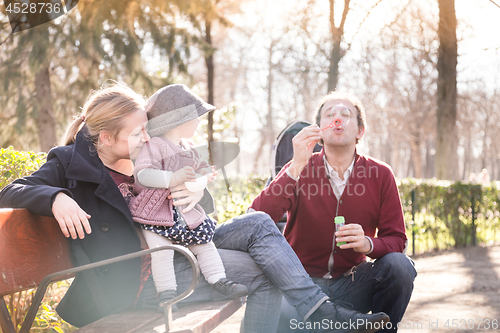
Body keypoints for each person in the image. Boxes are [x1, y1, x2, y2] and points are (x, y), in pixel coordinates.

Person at [0, 83, 387, 333]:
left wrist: (195, 188)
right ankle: (324, 314)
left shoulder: (147, 154)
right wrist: (56, 197)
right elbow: (11, 190)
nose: (147, 136)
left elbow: (201, 203)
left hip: (184, 246)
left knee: (257, 223)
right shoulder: (71, 163)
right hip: (146, 278)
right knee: (267, 274)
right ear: (105, 137)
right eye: (138, 132)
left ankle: (321, 313)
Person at [249, 91, 417, 332]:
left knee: (400, 266)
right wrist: (296, 165)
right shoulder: (299, 167)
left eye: (346, 114)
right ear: (319, 130)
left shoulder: (381, 174)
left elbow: (398, 240)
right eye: (330, 114)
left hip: (352, 284)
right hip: (300, 288)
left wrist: (368, 244)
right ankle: (334, 324)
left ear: (360, 131)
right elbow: (257, 217)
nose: (337, 118)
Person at [129, 84, 247, 309]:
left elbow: (200, 175)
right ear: (179, 120)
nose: (199, 122)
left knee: (205, 244)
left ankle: (219, 281)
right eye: (195, 117)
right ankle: (166, 294)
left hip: (184, 210)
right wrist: (172, 178)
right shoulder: (155, 146)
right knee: (161, 251)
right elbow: (142, 175)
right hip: (155, 212)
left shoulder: (190, 147)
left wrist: (199, 184)